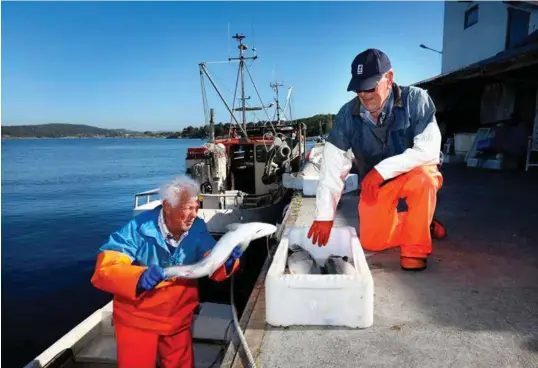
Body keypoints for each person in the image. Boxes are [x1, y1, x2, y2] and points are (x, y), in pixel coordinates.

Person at [307, 48, 446, 271]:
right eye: (358, 88)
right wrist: (324, 216)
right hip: (377, 185)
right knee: (373, 242)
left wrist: (381, 170)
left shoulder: (417, 100)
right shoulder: (345, 116)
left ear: (389, 78)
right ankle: (421, 225)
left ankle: (415, 250)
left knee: (425, 179)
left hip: (412, 175)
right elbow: (332, 167)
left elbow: (429, 150)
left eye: (370, 86)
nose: (364, 95)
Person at [91, 175, 242, 367]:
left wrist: (227, 263)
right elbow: (105, 268)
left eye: (196, 208)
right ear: (167, 206)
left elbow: (211, 261)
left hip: (178, 317)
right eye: (188, 208)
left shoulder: (197, 228)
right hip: (137, 319)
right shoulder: (137, 229)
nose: (194, 214)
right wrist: (138, 277)